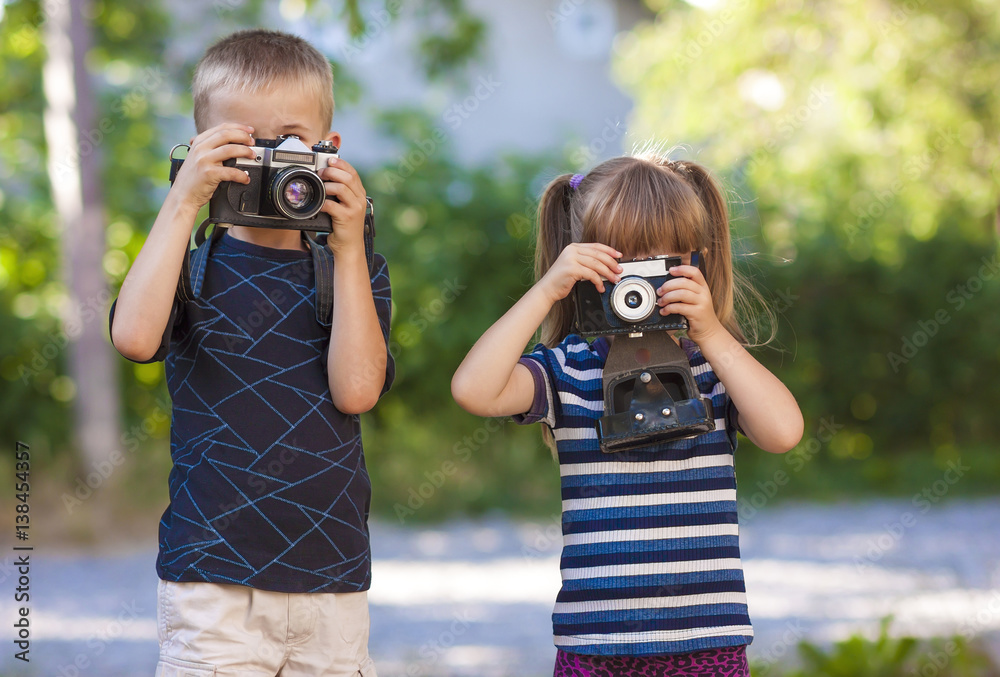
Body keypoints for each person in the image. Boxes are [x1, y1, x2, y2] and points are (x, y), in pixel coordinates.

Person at [451, 153, 804, 676]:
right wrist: (549, 288)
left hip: (706, 640)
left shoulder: (714, 369)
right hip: (595, 645)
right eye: (623, 260)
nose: (641, 279)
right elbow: (473, 391)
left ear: (694, 262)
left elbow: (783, 433)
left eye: (661, 260)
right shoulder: (567, 369)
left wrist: (710, 332)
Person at [109, 29, 392, 677]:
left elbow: (356, 391)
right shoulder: (187, 261)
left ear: (329, 150)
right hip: (211, 578)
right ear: (203, 151)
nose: (266, 160)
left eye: (288, 140)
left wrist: (348, 248)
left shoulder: (350, 267)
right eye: (241, 144)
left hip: (331, 576)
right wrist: (183, 199)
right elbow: (133, 338)